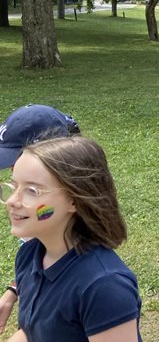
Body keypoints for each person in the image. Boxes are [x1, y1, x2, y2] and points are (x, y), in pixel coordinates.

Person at [3, 136, 142, 341]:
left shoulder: (103, 286)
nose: (13, 201)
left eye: (31, 190)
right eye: (14, 186)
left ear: (75, 200)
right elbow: (31, 332)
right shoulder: (29, 254)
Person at [0, 104, 81, 330]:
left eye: (16, 159)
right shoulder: (31, 250)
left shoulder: (98, 282)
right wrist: (13, 291)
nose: (14, 199)